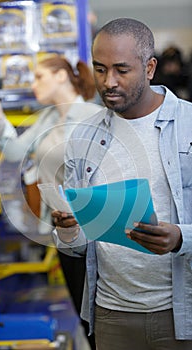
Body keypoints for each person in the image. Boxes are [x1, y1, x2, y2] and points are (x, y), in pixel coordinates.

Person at [52, 18, 192, 350]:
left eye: (121, 70)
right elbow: (75, 245)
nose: (108, 82)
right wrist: (70, 227)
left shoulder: (188, 126)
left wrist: (181, 236)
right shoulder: (84, 136)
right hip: (111, 311)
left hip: (181, 310)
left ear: (150, 68)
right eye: (100, 70)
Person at [0, 55, 102, 350]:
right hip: (60, 228)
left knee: (95, 310)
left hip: (89, 230)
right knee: (79, 307)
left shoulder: (90, 115)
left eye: (39, 77)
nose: (33, 85)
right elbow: (16, 151)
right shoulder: (49, 117)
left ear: (61, 76)